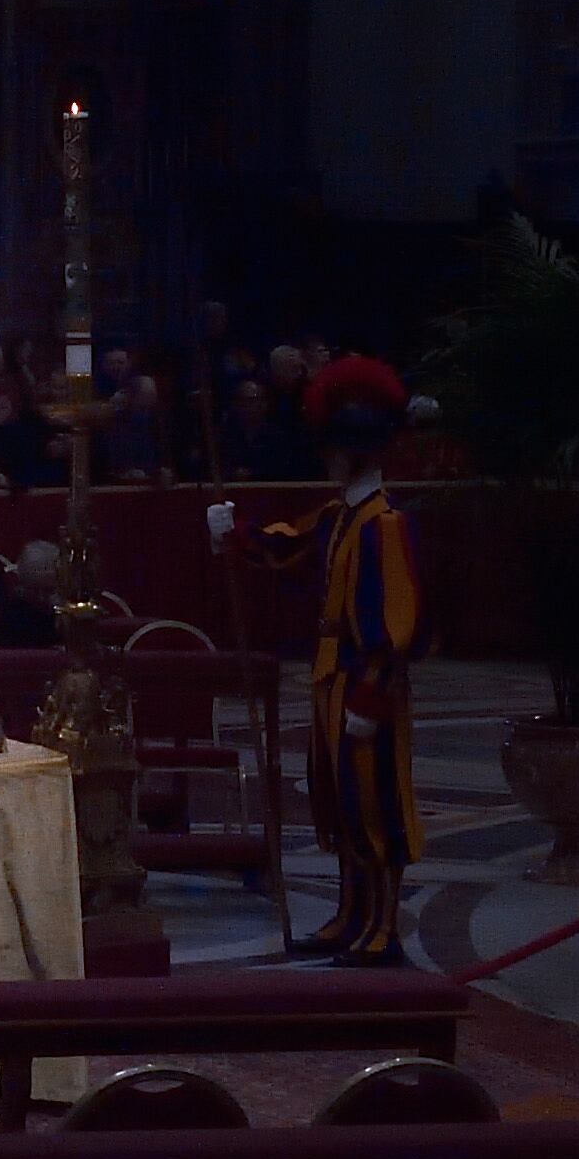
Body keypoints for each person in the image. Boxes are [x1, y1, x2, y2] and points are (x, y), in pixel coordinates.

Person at [216, 356, 428, 967]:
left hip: (364, 683)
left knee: (376, 806)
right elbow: (287, 546)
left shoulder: (384, 525)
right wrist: (235, 533)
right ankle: (351, 914)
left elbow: (397, 628)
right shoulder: (341, 517)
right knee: (339, 805)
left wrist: (371, 696)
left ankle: (382, 923)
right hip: (330, 678)